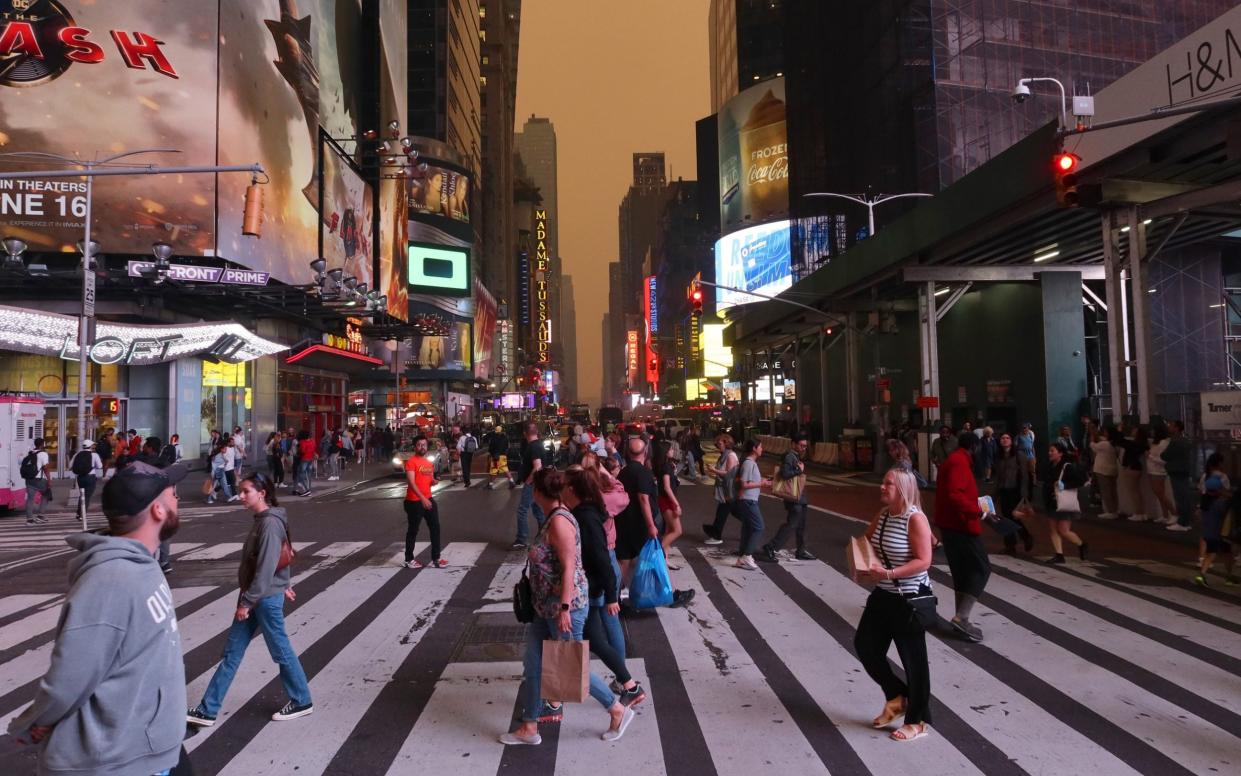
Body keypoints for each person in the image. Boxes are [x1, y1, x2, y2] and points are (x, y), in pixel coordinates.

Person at [8, 461, 189, 775]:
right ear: (158, 510)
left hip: (147, 745)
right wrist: (36, 722)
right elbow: (70, 677)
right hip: (116, 759)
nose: (178, 501)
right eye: (173, 495)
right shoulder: (112, 580)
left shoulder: (143, 564)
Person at [500, 469, 636, 746]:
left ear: (539, 492)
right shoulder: (551, 517)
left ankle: (617, 708)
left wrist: (563, 608)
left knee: (570, 668)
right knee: (534, 662)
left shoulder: (560, 522)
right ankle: (529, 726)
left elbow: (569, 568)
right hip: (544, 606)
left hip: (565, 608)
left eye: (531, 489)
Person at [188, 472, 314, 726]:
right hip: (260, 594)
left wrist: (248, 602)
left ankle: (302, 700)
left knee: (280, 651)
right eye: (241, 491)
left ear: (262, 493)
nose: (241, 496)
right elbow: (280, 555)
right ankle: (208, 709)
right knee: (232, 653)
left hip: (263, 599)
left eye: (246, 491)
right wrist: (283, 583)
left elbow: (267, 564)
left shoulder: (269, 523)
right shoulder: (266, 520)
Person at [854, 468, 935, 743]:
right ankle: (897, 697)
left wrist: (889, 573)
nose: (882, 486)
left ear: (902, 489)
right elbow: (866, 541)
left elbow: (924, 561)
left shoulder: (915, 519)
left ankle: (918, 720)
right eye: (883, 481)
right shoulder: (884, 514)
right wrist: (864, 563)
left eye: (888, 483)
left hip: (908, 598)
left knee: (914, 660)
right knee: (865, 646)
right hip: (883, 594)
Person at [563, 467, 646, 708]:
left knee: (578, 640)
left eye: (564, 487)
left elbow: (602, 560)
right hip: (595, 586)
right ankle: (629, 685)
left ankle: (613, 700)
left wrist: (612, 596)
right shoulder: (588, 511)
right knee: (596, 638)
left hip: (592, 587)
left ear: (572, 490)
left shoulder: (586, 517)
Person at [933, 432, 989, 642]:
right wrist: (977, 511)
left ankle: (960, 618)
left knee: (962, 570)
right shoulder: (959, 462)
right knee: (981, 568)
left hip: (951, 524)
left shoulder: (955, 460)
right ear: (973, 447)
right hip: (961, 525)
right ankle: (962, 616)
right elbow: (955, 495)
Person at [760, 433, 815, 563]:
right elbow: (785, 474)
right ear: (793, 444)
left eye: (805, 446)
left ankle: (800, 551)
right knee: (792, 524)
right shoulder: (789, 456)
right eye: (801, 445)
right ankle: (771, 547)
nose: (803, 448)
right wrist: (799, 471)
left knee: (801, 525)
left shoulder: (794, 456)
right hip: (793, 498)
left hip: (800, 497)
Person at [615, 436, 661, 582]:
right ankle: (663, 591)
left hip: (623, 520)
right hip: (640, 523)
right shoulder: (643, 473)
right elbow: (643, 499)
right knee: (654, 556)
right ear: (645, 452)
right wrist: (651, 525)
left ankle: (616, 594)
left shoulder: (624, 471)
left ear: (628, 453)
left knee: (624, 559)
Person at [403, 435, 446, 569]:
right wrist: (422, 498)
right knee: (413, 530)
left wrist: (434, 482)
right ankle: (408, 559)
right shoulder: (411, 462)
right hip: (414, 501)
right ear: (415, 447)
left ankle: (436, 558)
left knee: (435, 528)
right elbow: (411, 482)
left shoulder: (428, 463)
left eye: (424, 445)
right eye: (419, 445)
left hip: (428, 499)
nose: (422, 447)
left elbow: (429, 481)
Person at [1044, 442, 1089, 564]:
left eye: (1052, 451)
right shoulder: (1050, 465)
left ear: (1060, 453)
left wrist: (1065, 486)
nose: (1050, 453)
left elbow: (1081, 481)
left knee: (1064, 530)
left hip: (1063, 502)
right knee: (1053, 529)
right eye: (1049, 451)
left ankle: (1081, 544)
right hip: (1051, 501)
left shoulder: (1067, 466)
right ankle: (1059, 554)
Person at [993, 432, 1034, 554]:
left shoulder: (1018, 455)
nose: (1005, 440)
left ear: (1012, 441)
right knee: (1005, 518)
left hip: (1015, 490)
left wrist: (1024, 493)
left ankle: (1026, 536)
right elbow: (999, 477)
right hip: (1004, 490)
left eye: (1007, 438)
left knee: (1012, 516)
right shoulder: (999, 457)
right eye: (1002, 438)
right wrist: (994, 495)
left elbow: (1025, 476)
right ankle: (1011, 545)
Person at [734, 439, 771, 570]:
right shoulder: (749, 463)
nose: (762, 449)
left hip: (747, 500)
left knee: (748, 528)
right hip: (748, 500)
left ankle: (742, 557)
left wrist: (762, 481)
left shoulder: (750, 463)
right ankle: (747, 555)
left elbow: (748, 481)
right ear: (754, 448)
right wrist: (762, 484)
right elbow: (744, 484)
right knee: (759, 527)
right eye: (760, 446)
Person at [513, 422, 552, 550]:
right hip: (538, 483)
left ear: (525, 433)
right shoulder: (538, 444)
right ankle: (544, 536)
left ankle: (521, 539)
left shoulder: (533, 447)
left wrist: (528, 481)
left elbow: (537, 466)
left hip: (533, 483)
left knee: (522, 510)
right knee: (538, 510)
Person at [1195, 469, 1236, 586]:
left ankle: (1228, 576)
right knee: (1222, 554)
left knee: (1213, 553)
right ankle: (1203, 575)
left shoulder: (1205, 501)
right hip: (1220, 533)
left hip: (1208, 532)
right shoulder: (1221, 503)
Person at [702, 432, 739, 545]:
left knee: (722, 513)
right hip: (725, 489)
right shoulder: (724, 455)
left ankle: (716, 535)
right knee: (735, 512)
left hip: (729, 490)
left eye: (720, 443)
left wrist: (714, 470)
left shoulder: (730, 455)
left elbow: (729, 474)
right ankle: (752, 526)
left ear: (727, 443)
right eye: (718, 443)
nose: (718, 445)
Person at [652, 439, 683, 559]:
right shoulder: (665, 466)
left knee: (669, 530)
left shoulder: (666, 465)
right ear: (665, 452)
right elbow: (667, 487)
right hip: (667, 500)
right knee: (677, 530)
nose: (672, 450)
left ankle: (665, 559)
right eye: (670, 449)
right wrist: (676, 504)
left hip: (664, 499)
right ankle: (655, 554)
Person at [1163, 421, 1195, 533]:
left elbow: (1165, 455)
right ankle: (1186, 521)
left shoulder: (1175, 441)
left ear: (1176, 428)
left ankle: (1182, 523)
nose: (1168, 427)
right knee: (1185, 496)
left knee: (1180, 497)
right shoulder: (1186, 440)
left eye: (1171, 426)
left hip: (1176, 471)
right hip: (1184, 470)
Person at [1091, 426, 1121, 519]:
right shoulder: (1115, 445)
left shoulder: (1104, 444)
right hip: (1113, 469)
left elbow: (1093, 446)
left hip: (1102, 470)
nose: (1104, 433)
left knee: (1106, 491)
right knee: (1113, 491)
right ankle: (1115, 509)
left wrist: (1092, 439)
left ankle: (1110, 511)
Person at [69, 438, 103, 515]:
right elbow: (100, 466)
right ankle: (82, 514)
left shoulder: (77, 454)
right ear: (90, 446)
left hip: (80, 477)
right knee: (87, 496)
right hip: (90, 477)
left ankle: (79, 512)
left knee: (82, 495)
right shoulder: (94, 455)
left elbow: (70, 466)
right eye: (93, 445)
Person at [23, 437, 52, 526]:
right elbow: (46, 468)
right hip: (39, 480)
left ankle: (29, 519)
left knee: (30, 499)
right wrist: (49, 480)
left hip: (29, 479)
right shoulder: (43, 454)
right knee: (47, 494)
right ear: (42, 444)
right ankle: (40, 516)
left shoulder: (30, 453)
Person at [295, 430, 316, 496]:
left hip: (304, 459)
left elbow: (302, 451)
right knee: (308, 475)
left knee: (301, 474)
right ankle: (308, 489)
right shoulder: (313, 441)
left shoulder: (302, 442)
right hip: (311, 459)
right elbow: (314, 448)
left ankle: (306, 489)